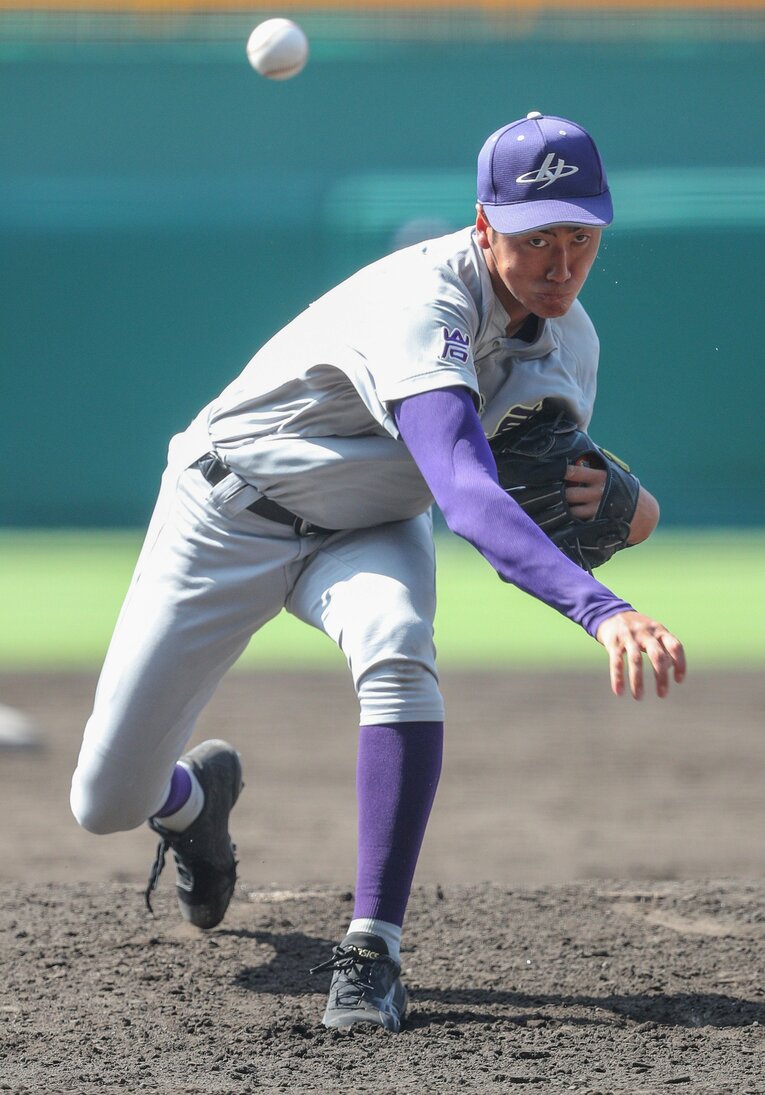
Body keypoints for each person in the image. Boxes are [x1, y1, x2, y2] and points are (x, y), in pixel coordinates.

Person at [71, 110, 686, 1033]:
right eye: (534, 237)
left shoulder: (571, 341)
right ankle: (192, 803)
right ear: (484, 226)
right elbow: (472, 496)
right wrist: (601, 609)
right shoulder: (423, 301)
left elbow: (549, 476)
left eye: (579, 236)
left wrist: (629, 505)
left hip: (367, 526)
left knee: (400, 644)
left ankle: (371, 949)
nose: (559, 261)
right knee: (104, 800)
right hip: (223, 515)